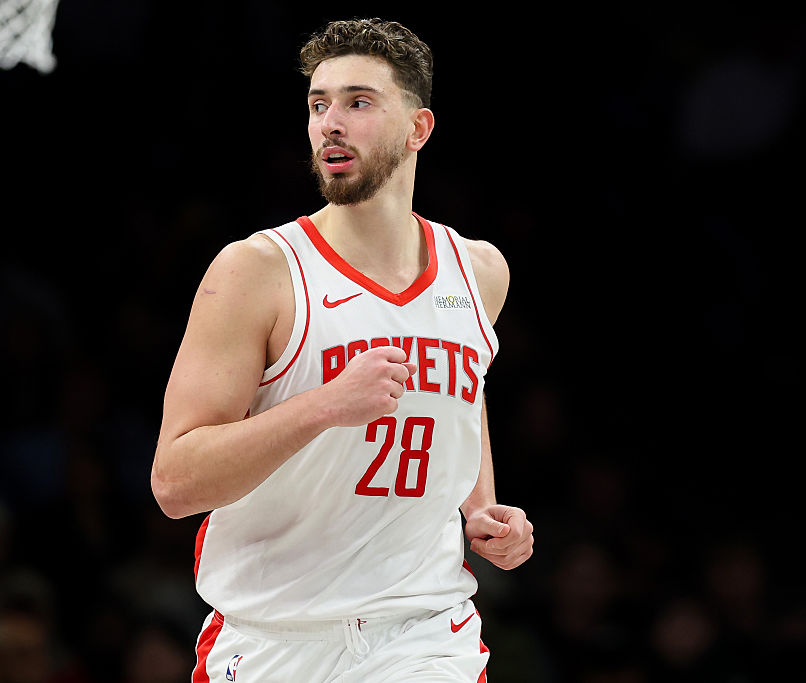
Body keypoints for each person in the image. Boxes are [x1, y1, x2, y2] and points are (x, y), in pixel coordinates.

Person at [151, 17, 534, 682]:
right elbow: (176, 483)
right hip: (275, 634)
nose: (331, 122)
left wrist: (481, 508)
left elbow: (461, 397)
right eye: (318, 104)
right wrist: (322, 406)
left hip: (421, 631)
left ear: (418, 129)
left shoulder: (478, 271)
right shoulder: (256, 270)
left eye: (359, 102)